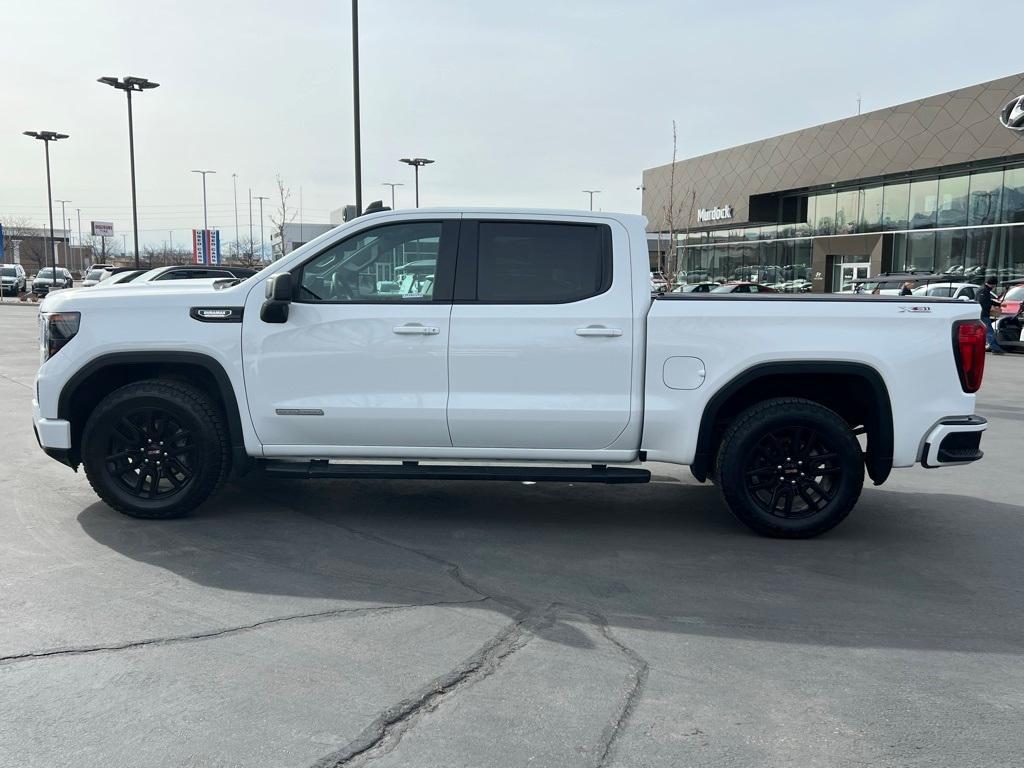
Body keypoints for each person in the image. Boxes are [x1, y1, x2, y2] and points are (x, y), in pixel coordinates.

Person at [978, 277, 1005, 355]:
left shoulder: (982, 289)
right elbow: (984, 302)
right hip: (983, 314)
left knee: (983, 331)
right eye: (995, 285)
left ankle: (989, 346)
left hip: (979, 313)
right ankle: (995, 348)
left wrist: (998, 304)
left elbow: (988, 301)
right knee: (989, 331)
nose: (995, 287)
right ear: (993, 284)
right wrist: (992, 308)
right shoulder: (984, 291)